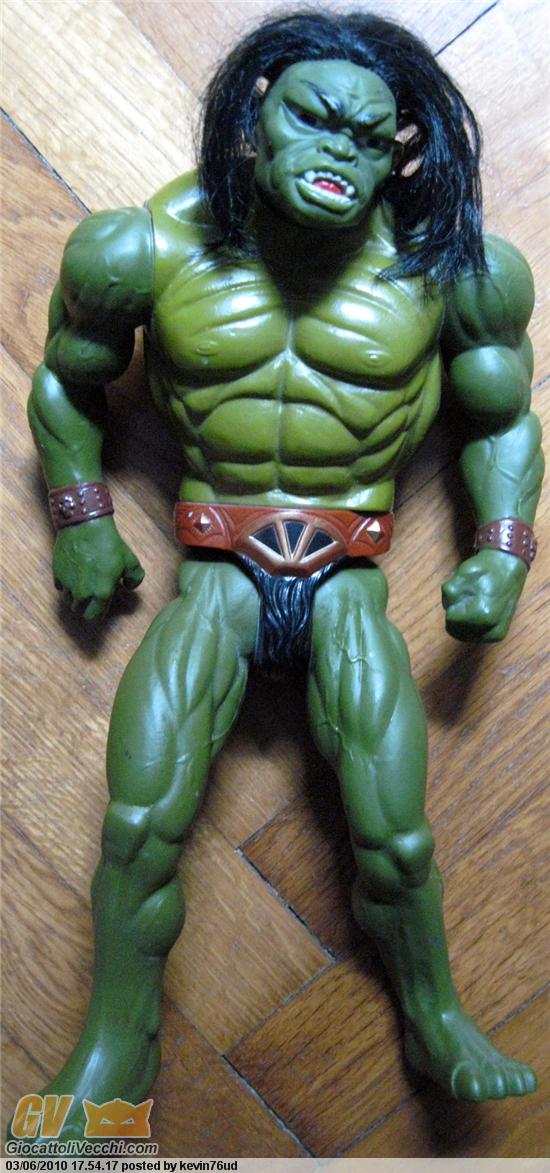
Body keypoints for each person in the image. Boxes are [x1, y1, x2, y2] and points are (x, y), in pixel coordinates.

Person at [20, 11, 543, 1138]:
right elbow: (65, 383)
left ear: (399, 153)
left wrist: (500, 556)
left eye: (367, 138)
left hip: (349, 574)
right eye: (313, 118)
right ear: (255, 114)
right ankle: (116, 1045)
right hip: (214, 570)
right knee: (138, 825)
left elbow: (505, 421)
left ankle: (436, 1017)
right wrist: (81, 519)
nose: (336, 151)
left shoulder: (455, 274)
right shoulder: (141, 248)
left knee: (397, 841)